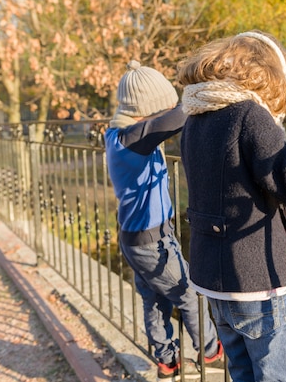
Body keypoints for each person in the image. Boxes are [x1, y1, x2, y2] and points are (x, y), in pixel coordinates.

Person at [178, 30, 286, 381]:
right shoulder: (249, 115)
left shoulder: (197, 116)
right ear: (269, 74)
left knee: (242, 372)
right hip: (253, 280)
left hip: (212, 276)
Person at [105, 60, 224, 382]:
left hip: (136, 238)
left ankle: (166, 361)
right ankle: (211, 351)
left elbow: (165, 120)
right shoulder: (133, 138)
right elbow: (180, 114)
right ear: (148, 109)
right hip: (151, 242)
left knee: (155, 300)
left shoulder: (119, 135)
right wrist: (216, 91)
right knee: (189, 294)